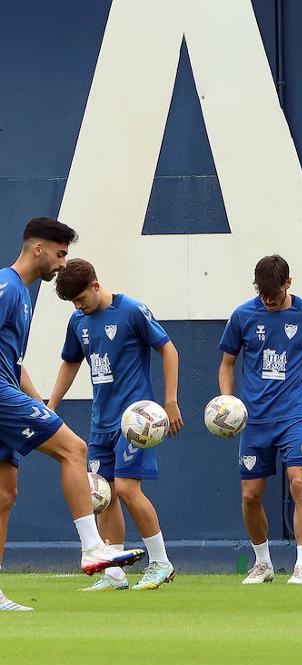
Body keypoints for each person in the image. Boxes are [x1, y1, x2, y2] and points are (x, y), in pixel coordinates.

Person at [0, 218, 144, 611]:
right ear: (38, 249)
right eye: (61, 254)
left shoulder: (24, 297)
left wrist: (42, 406)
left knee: (4, 495)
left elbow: (15, 364)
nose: (63, 264)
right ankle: (92, 548)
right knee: (74, 449)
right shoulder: (8, 287)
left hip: (8, 391)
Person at [48, 259, 183, 591]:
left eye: (81, 298)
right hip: (100, 423)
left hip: (134, 421)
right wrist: (51, 406)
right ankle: (114, 572)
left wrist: (170, 401)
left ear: (96, 285)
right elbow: (70, 363)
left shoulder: (133, 311)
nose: (78, 306)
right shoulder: (78, 320)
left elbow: (168, 349)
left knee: (126, 488)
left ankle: (161, 562)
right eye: (73, 303)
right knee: (105, 495)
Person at [218, 255, 302, 586]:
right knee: (251, 495)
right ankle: (263, 563)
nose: (269, 301)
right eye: (264, 295)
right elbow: (227, 362)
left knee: (299, 482)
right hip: (254, 420)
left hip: (293, 415)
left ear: (288, 284)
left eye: (275, 295)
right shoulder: (243, 315)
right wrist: (227, 400)